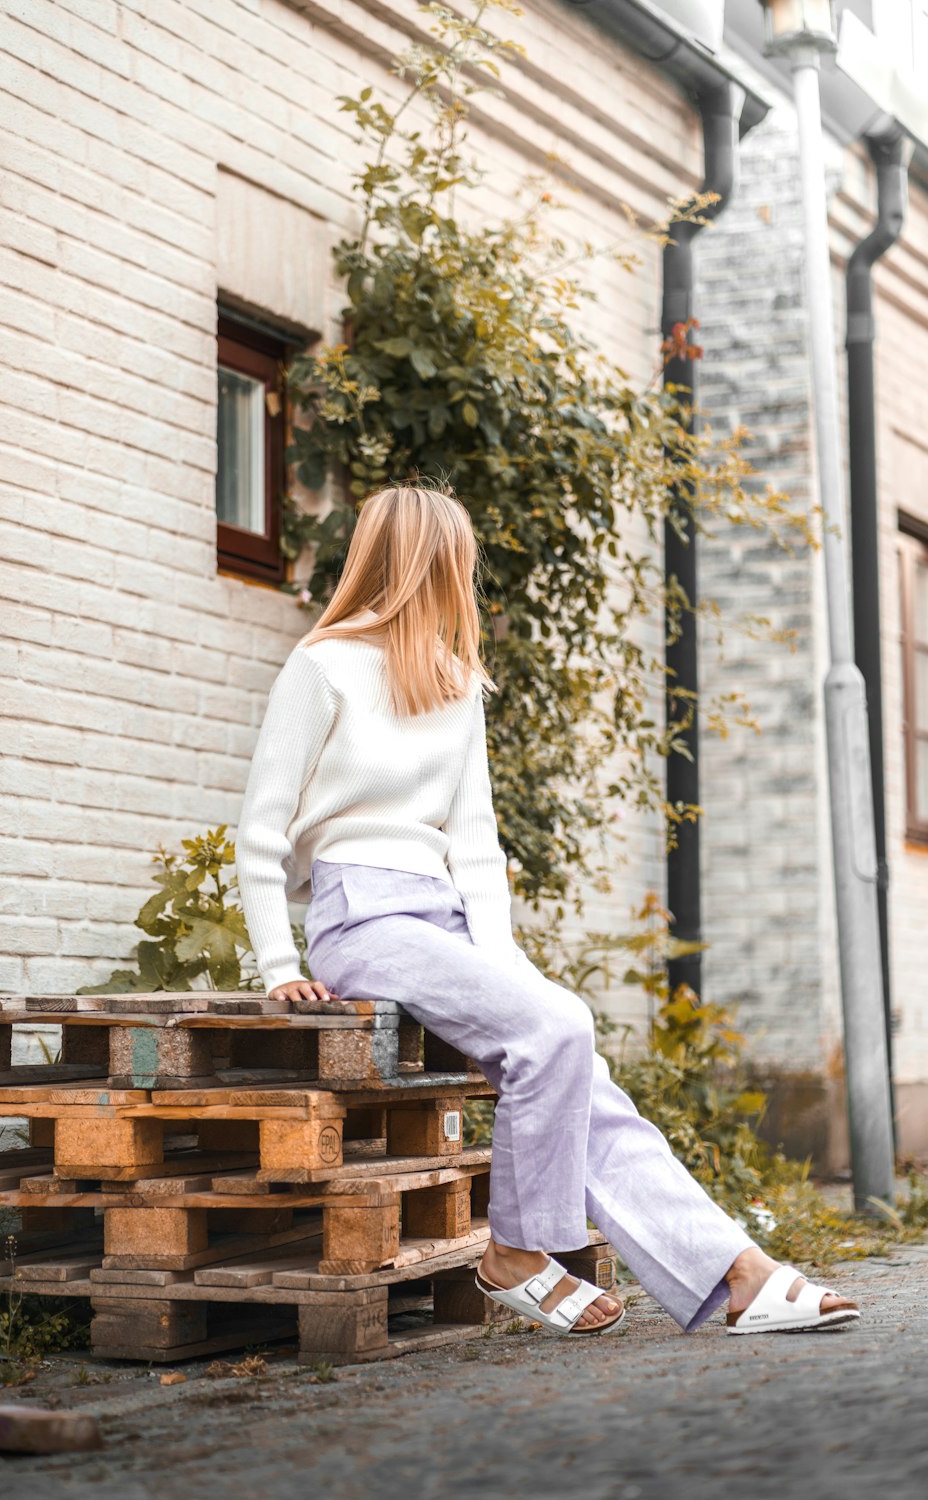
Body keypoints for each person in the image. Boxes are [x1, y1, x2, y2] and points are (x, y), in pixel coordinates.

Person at [234, 483, 859, 1339]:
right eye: (458, 562)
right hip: (361, 918)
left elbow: (478, 845)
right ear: (430, 564)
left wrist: (507, 964)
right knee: (560, 1032)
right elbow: (261, 828)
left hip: (442, 920)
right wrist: (278, 967)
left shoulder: (456, 685)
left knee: (577, 1069)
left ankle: (737, 1269)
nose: (463, 577)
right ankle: (518, 1253)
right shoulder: (323, 666)